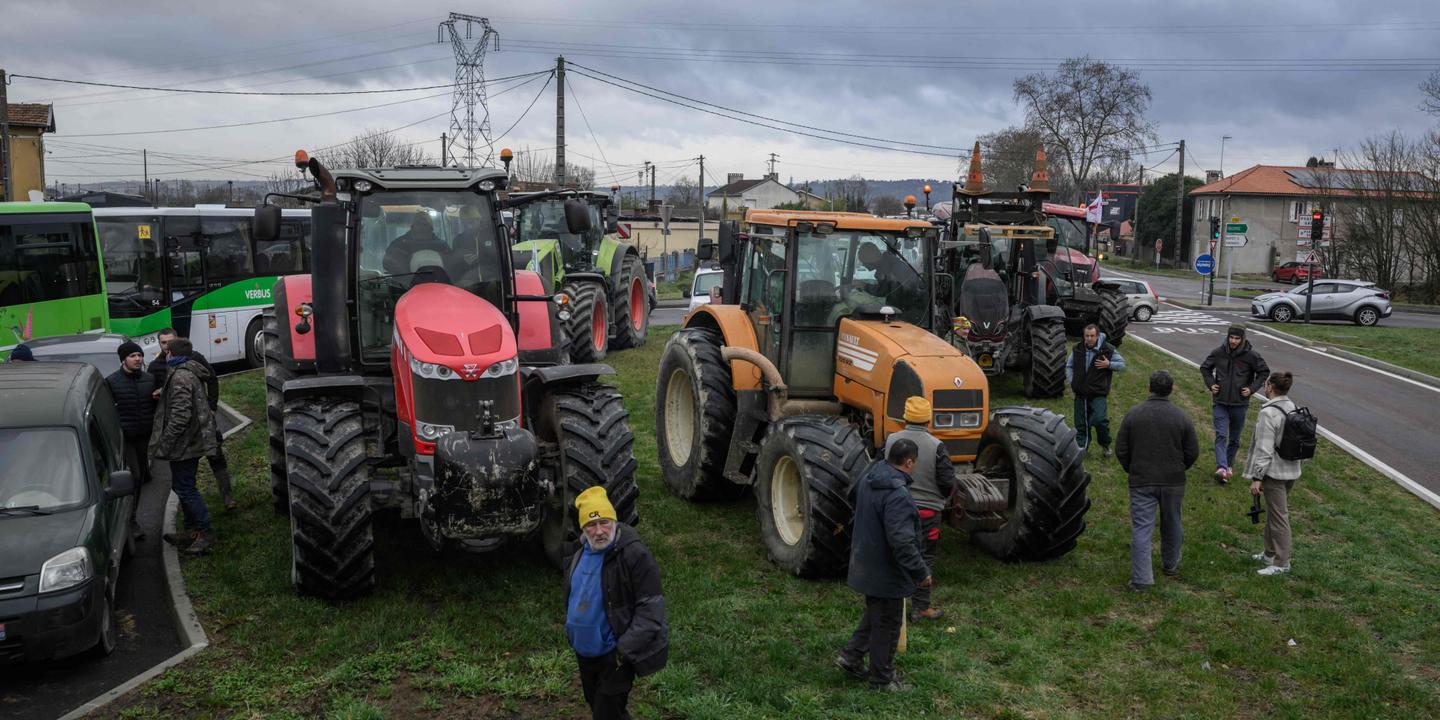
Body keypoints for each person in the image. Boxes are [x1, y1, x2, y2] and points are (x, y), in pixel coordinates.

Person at [564, 486, 668, 720]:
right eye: (591, 524)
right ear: (583, 527)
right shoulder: (578, 554)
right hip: (584, 654)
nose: (599, 531)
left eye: (605, 522)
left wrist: (623, 652)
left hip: (614, 657)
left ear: (614, 521)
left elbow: (651, 612)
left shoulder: (634, 555)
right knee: (600, 707)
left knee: (606, 713)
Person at [837, 439, 931, 691]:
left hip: (865, 561)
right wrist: (921, 572)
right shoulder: (898, 495)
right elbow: (902, 542)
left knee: (877, 614)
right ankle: (882, 679)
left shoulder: (871, 477)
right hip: (886, 571)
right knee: (888, 626)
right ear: (909, 462)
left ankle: (851, 656)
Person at [1115, 371, 1199, 591]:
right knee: (1172, 523)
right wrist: (1180, 468)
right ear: (1171, 390)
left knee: (1142, 529)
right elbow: (1192, 451)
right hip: (1173, 481)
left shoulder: (1134, 415)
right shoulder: (1181, 417)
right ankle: (1170, 563)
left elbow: (1121, 449)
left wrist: (1132, 468)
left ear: (1149, 388)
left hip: (1142, 480)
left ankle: (1141, 579)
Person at [883, 397, 955, 622]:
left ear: (905, 418)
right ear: (928, 419)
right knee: (925, 557)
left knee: (895, 554)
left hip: (895, 509)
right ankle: (921, 607)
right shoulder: (936, 445)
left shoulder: (890, 441)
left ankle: (890, 604)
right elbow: (946, 481)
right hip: (927, 513)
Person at [150, 328, 234, 511]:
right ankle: (193, 514)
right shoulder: (156, 366)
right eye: (163, 343)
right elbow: (163, 393)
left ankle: (227, 497)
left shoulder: (193, 358)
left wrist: (212, 406)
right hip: (183, 431)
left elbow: (211, 379)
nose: (166, 347)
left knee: (216, 455)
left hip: (202, 419)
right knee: (186, 475)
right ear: (159, 344)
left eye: (170, 342)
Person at [151, 338, 219, 555]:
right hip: (191, 441)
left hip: (185, 444)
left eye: (167, 351)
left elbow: (181, 416)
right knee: (183, 485)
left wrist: (166, 442)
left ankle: (205, 533)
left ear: (172, 353)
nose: (164, 354)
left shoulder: (180, 376)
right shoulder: (185, 372)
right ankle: (192, 531)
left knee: (185, 488)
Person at [1243, 371, 1305, 576]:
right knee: (1274, 513)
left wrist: (1257, 477)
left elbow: (1264, 449)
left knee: (1279, 517)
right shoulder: (1292, 407)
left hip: (1274, 473)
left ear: (1269, 387)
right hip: (1291, 470)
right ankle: (1269, 553)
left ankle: (1281, 562)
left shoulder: (1268, 413)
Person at [1200, 325, 1269, 484]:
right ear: (1228, 336)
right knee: (1221, 435)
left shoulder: (1251, 356)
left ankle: (1229, 465)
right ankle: (1222, 468)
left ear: (1242, 338)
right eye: (1231, 337)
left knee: (1235, 439)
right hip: (1220, 402)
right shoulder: (1218, 353)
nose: (1233, 341)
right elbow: (1205, 368)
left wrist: (1251, 389)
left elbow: (1264, 372)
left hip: (1240, 404)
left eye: (1237, 338)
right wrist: (1211, 384)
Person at [1066, 323, 1126, 457]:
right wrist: (1072, 381)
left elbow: (1122, 365)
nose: (1089, 338)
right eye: (1086, 336)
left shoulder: (1108, 350)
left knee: (1100, 421)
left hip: (1098, 393)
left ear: (1097, 336)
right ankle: (1081, 449)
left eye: (1092, 336)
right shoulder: (1077, 349)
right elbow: (1069, 366)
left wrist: (1109, 364)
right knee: (1081, 424)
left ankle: (1105, 444)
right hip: (1081, 393)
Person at [105, 341, 157, 487]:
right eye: (132, 356)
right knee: (136, 475)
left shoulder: (149, 379)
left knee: (146, 474)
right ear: (123, 360)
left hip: (145, 434)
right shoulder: (111, 381)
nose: (137, 359)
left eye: (140, 355)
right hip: (125, 437)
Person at [382, 212, 461, 279]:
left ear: (431, 228)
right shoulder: (399, 245)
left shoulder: (441, 246)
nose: (422, 227)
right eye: (418, 224)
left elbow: (451, 266)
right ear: (412, 227)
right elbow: (388, 264)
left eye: (425, 224)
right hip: (404, 287)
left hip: (437, 284)